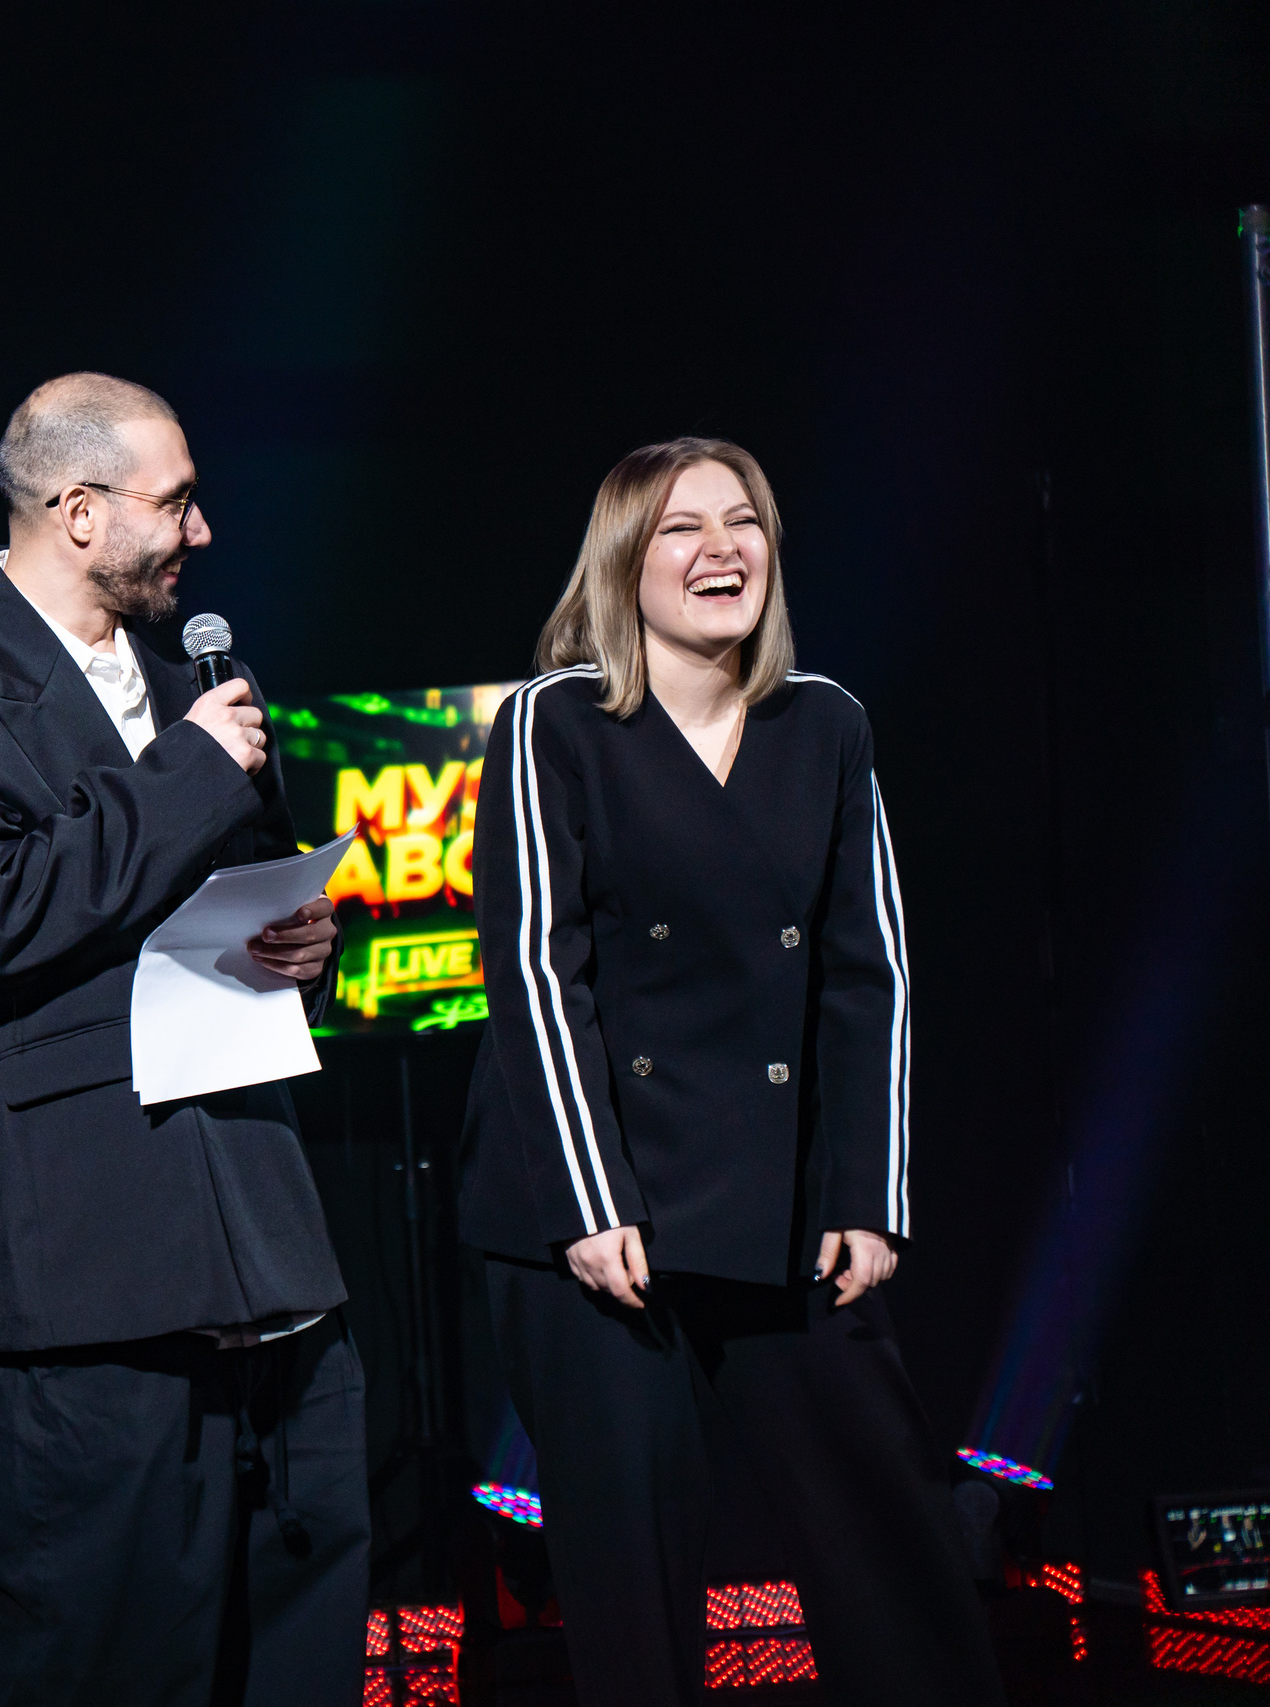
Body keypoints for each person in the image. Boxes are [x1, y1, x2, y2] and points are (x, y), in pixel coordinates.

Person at [0, 373, 369, 1705]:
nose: (201, 532)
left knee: (295, 1643)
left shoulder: (200, 673)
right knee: (102, 1661)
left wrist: (303, 944)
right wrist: (195, 769)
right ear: (77, 513)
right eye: (174, 502)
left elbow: (242, 899)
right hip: (88, 1275)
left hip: (261, 1235)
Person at [463, 437, 1003, 1703]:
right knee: (634, 1587)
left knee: (892, 1548)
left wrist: (868, 1195)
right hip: (598, 1216)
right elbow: (539, 976)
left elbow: (867, 974)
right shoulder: (556, 724)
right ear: (622, 564)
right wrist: (592, 1205)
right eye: (681, 528)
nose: (723, 549)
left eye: (744, 519)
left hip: (784, 1206)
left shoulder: (825, 723)